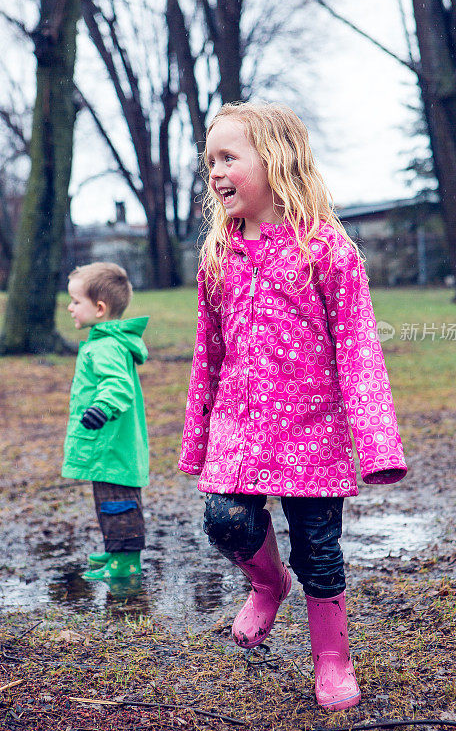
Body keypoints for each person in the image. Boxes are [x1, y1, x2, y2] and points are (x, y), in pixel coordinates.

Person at [179, 102, 407, 711]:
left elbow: (359, 350)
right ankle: (267, 584)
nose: (217, 174)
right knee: (225, 519)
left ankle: (332, 658)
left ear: (276, 161)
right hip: (238, 431)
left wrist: (376, 445)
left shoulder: (328, 251)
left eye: (229, 158)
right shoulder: (219, 257)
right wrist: (198, 438)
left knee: (319, 551)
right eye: (210, 163)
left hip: (313, 431)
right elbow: (209, 353)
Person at [62, 262, 149, 581]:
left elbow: (118, 386)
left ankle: (125, 562)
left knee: (119, 504)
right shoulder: (103, 343)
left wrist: (101, 409)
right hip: (108, 445)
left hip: (112, 444)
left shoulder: (106, 347)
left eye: (75, 301)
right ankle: (116, 550)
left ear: (99, 308)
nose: (70, 307)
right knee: (109, 499)